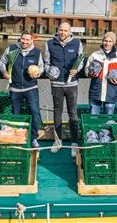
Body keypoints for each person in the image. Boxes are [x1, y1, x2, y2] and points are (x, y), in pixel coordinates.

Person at [0, 30, 44, 148]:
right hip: (15, 88)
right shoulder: (11, 49)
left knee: (34, 112)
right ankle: (17, 138)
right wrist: (4, 72)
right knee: (16, 114)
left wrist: (38, 73)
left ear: (31, 40)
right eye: (23, 39)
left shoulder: (36, 52)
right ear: (20, 38)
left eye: (27, 40)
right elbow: (2, 62)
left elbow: (41, 67)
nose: (24, 42)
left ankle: (33, 138)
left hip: (31, 88)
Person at [44, 22, 84, 156]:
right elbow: (46, 64)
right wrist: (50, 71)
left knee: (73, 113)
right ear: (58, 30)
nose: (63, 33)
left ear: (70, 32)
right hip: (57, 85)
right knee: (57, 113)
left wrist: (76, 69)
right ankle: (57, 141)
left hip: (72, 85)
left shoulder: (77, 43)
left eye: (66, 31)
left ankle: (74, 143)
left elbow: (81, 61)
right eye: (61, 30)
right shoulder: (49, 44)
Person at [84, 31, 117, 115]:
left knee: (108, 118)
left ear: (113, 43)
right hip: (96, 91)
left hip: (111, 92)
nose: (107, 43)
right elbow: (86, 70)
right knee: (93, 116)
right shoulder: (94, 55)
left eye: (110, 41)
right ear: (102, 41)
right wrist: (90, 73)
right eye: (105, 41)